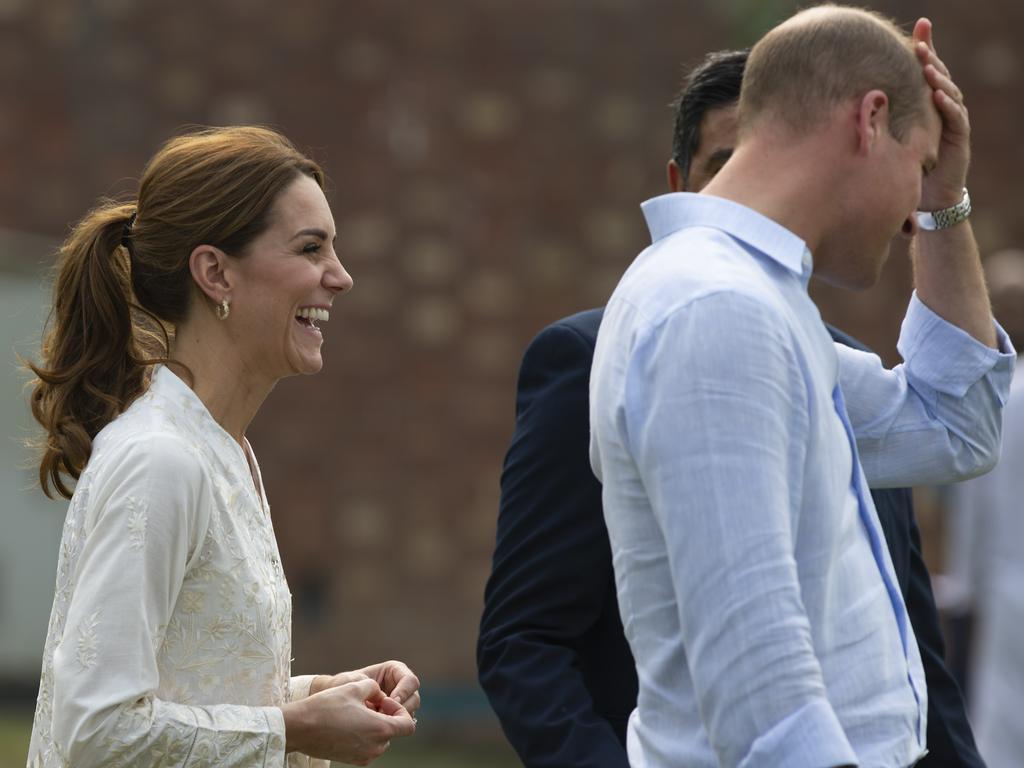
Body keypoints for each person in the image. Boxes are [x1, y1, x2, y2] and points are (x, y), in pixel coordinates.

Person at [479, 47, 984, 768]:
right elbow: (765, 704)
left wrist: (947, 207)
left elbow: (954, 428)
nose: (916, 210)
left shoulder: (767, 313)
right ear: (870, 122)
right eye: (920, 167)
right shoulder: (716, 310)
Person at [25, 126, 419, 767]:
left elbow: (191, 683)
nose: (340, 277)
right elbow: (95, 732)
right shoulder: (160, 459)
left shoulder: (223, 450)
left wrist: (318, 697)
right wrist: (291, 729)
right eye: (310, 248)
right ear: (215, 273)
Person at [944, 248, 1024, 768]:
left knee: (1004, 730)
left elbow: (976, 497)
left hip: (1008, 588)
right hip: (1005, 586)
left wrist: (962, 582)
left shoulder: (1002, 400)